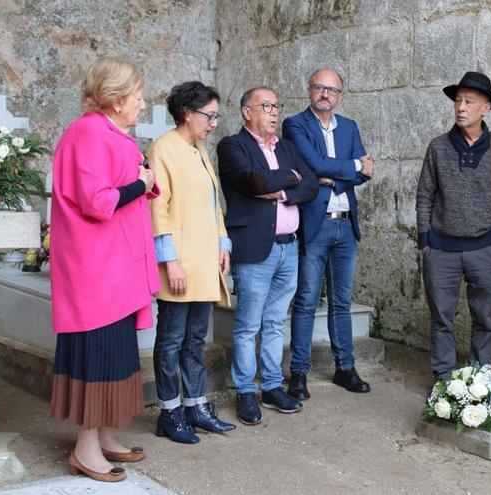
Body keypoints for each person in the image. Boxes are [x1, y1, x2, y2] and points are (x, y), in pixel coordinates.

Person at [49, 56, 159, 483]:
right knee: (96, 357)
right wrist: (141, 183)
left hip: (115, 267)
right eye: (136, 96)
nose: (142, 104)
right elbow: (99, 201)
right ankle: (84, 449)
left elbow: (133, 183)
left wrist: (143, 179)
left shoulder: (112, 133)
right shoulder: (88, 132)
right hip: (96, 271)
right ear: (114, 100)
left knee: (115, 355)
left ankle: (105, 435)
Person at [217, 87, 317, 425]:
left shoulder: (286, 146)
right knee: (248, 325)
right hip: (255, 247)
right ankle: (246, 390)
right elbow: (254, 182)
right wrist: (289, 178)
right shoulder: (232, 146)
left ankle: (272, 386)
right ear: (247, 112)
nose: (274, 112)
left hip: (289, 247)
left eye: (277, 105)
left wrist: (283, 190)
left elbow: (312, 184)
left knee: (275, 321)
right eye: (266, 106)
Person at [148, 81, 235, 443]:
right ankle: (169, 411)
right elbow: (158, 209)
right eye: (209, 116)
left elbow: (214, 204)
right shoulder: (163, 149)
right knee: (170, 340)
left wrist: (222, 244)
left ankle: (196, 405)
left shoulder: (199, 149)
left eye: (216, 116)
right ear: (187, 113)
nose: (214, 123)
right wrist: (171, 262)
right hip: (181, 264)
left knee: (195, 339)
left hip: (203, 261)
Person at [415, 71, 491, 379]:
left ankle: (480, 381)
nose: (461, 107)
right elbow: (424, 196)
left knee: (484, 319)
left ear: (485, 108)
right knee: (441, 320)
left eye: (469, 101)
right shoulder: (438, 147)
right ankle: (444, 383)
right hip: (441, 251)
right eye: (458, 100)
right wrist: (424, 241)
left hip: (485, 249)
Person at [283, 68, 374, 399]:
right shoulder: (295, 124)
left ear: (340, 96)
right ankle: (299, 373)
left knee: (341, 301)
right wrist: (352, 168)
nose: (325, 94)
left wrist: (337, 175)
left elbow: (365, 174)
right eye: (320, 88)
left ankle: (345, 368)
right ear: (309, 91)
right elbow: (315, 163)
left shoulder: (349, 127)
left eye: (332, 90)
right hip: (316, 223)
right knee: (306, 300)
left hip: (345, 224)